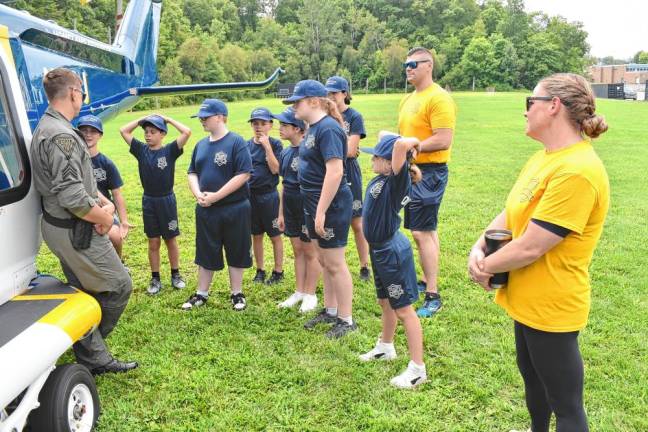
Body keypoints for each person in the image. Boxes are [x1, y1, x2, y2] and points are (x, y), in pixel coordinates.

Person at [468, 73, 609, 432]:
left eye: (529, 103)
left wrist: (484, 266)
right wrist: (480, 244)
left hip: (552, 305)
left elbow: (532, 245)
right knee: (534, 382)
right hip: (527, 298)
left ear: (553, 106)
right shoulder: (544, 158)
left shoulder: (577, 170)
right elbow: (512, 211)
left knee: (566, 405)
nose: (525, 111)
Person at [30, 67, 136, 375]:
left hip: (60, 226)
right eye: (82, 93)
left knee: (82, 290)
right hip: (74, 230)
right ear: (75, 93)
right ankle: (89, 349)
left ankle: (92, 353)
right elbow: (72, 197)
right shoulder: (62, 135)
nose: (82, 98)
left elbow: (78, 185)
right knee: (118, 286)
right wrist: (105, 215)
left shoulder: (50, 125)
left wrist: (101, 200)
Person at [284, 80, 356, 339]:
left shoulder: (328, 129)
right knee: (324, 260)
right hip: (312, 200)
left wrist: (322, 211)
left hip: (331, 203)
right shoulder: (311, 128)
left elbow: (335, 171)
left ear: (314, 101)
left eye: (297, 102)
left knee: (335, 263)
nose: (293, 107)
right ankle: (331, 309)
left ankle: (346, 319)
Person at [359, 133, 427, 389]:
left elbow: (399, 144)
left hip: (391, 253)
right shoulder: (384, 178)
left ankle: (417, 368)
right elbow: (389, 138)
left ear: (391, 163)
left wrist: (414, 145)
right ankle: (386, 346)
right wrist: (399, 146)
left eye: (377, 156)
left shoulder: (396, 183)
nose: (372, 159)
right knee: (384, 301)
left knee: (403, 309)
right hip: (379, 251)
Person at [398, 46, 457, 318]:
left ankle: (432, 294)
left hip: (430, 172)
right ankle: (427, 278)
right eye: (406, 65)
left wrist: (413, 146)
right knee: (425, 231)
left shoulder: (439, 98)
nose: (408, 69)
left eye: (413, 64)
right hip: (412, 170)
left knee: (422, 232)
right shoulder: (409, 99)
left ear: (428, 66)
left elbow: (444, 139)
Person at [182, 98, 253, 311]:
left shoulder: (236, 142)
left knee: (236, 249)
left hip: (235, 207)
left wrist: (216, 196)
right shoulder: (201, 145)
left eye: (206, 117)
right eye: (200, 117)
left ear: (220, 117)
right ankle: (201, 293)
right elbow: (192, 172)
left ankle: (237, 293)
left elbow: (243, 174)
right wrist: (198, 195)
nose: (202, 121)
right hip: (206, 209)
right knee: (206, 249)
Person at [120, 113, 191, 295]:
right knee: (153, 242)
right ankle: (155, 278)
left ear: (163, 134)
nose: (147, 135)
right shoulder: (141, 150)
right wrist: (142, 119)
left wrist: (168, 119)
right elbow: (124, 130)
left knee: (170, 239)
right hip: (149, 201)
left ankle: (176, 275)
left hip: (167, 201)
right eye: (146, 131)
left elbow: (187, 132)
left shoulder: (170, 151)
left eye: (152, 131)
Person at [274, 107, 321, 313]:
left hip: (307, 202)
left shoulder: (309, 150)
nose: (280, 128)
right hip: (290, 203)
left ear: (298, 129)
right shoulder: (285, 152)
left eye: (284, 125)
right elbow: (284, 184)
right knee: (297, 250)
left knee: (310, 251)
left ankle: (311, 294)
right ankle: (299, 291)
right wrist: (281, 212)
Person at [325, 75, 371, 281]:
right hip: (328, 171)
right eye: (328, 93)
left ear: (344, 93)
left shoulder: (354, 117)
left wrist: (333, 148)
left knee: (356, 222)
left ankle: (364, 265)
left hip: (349, 172)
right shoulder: (324, 117)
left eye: (334, 93)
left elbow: (352, 151)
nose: (330, 97)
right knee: (331, 219)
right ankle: (335, 263)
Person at [77, 115, 132, 263]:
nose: (88, 134)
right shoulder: (74, 161)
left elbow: (117, 194)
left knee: (115, 236)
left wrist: (124, 221)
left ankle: (119, 264)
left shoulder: (106, 163)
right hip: (80, 209)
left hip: (103, 210)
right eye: (84, 130)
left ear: (100, 135)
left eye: (93, 131)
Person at [246, 107, 285, 285]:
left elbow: (276, 169)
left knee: (275, 235)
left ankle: (278, 271)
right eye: (255, 123)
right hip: (251, 197)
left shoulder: (276, 144)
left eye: (263, 123)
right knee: (257, 235)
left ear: (270, 125)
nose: (259, 127)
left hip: (269, 196)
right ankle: (260, 270)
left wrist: (267, 147)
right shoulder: (246, 146)